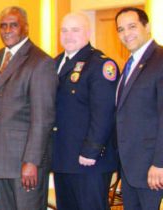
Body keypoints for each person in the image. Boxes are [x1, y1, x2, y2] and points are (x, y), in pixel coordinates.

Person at [0, 6, 57, 210]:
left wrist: (32, 161)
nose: (7, 30)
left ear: (26, 28)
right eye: (3, 26)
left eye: (13, 25)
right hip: (0, 158)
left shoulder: (40, 62)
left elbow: (42, 119)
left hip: (25, 162)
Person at [51, 13, 119, 210]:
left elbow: (104, 112)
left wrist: (91, 150)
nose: (68, 35)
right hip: (63, 158)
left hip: (89, 161)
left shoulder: (100, 64)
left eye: (75, 29)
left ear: (88, 33)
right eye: (64, 30)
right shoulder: (55, 63)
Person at [115, 7, 163, 209]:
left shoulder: (159, 59)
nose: (126, 34)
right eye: (121, 29)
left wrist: (160, 163)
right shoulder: (131, 63)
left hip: (151, 167)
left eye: (132, 27)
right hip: (130, 167)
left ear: (147, 27)